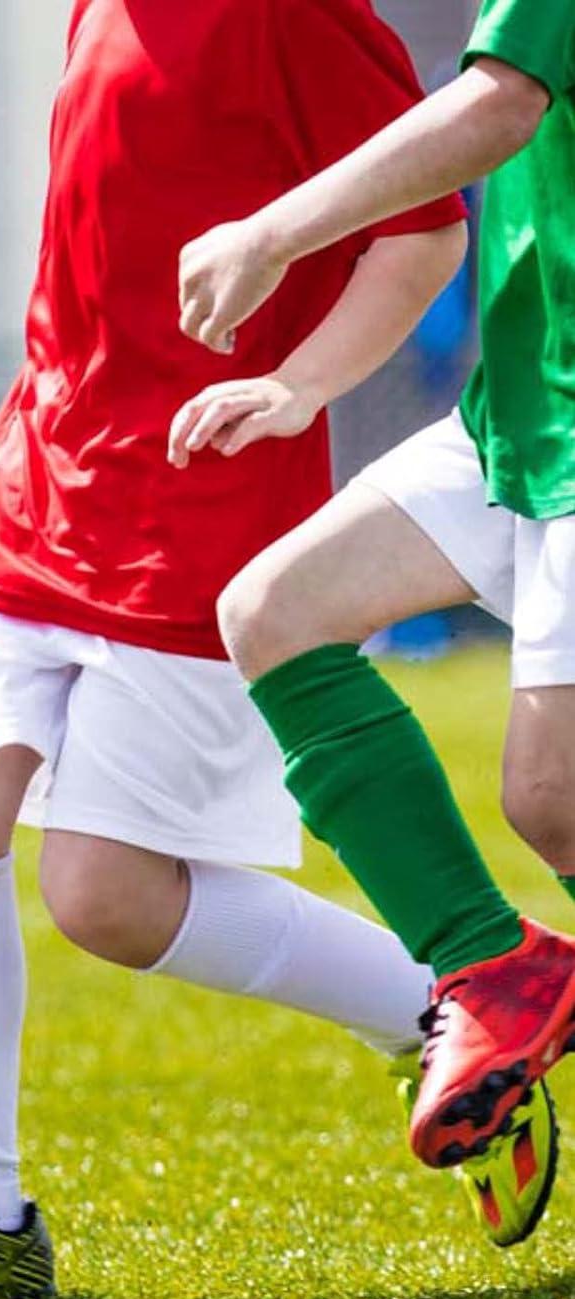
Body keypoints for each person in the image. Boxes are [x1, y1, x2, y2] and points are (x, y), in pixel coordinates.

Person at [0, 0, 533, 1299]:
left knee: (107, 896)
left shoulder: (298, 13)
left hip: (202, 489)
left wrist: (301, 390)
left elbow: (426, 231)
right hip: (38, 462)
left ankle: (447, 1011)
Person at [173, 1, 575, 1172]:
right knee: (275, 613)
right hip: (520, 411)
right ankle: (492, 968)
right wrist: (301, 390)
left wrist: (273, 233)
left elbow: (501, 102)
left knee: (552, 796)